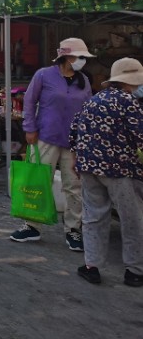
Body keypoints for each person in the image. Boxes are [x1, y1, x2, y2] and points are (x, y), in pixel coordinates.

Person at [9, 38, 93, 250]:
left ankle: (73, 230)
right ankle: (32, 225)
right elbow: (29, 101)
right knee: (37, 181)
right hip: (44, 137)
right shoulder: (44, 75)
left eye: (84, 57)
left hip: (74, 141)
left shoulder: (84, 80)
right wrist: (29, 128)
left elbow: (89, 110)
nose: (82, 61)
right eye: (79, 56)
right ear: (66, 56)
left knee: (74, 186)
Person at [69, 57, 143, 287]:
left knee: (93, 216)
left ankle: (91, 266)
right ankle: (134, 270)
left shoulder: (93, 100)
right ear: (131, 82)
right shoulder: (129, 103)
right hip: (121, 170)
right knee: (132, 219)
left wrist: (76, 159)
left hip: (89, 167)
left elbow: (74, 131)